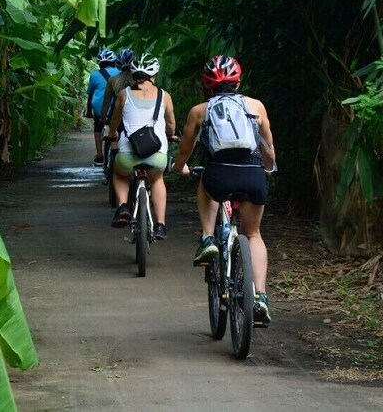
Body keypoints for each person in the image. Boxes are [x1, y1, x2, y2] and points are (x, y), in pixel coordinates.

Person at [171, 55, 277, 323]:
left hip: (220, 173)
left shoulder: (200, 111)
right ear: (238, 81)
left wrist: (179, 167)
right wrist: (267, 169)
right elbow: (268, 148)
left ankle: (208, 238)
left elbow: (185, 148)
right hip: (252, 175)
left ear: (208, 85)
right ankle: (260, 296)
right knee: (253, 234)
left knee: (206, 184)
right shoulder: (256, 106)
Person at [107, 54, 176, 240]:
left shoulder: (124, 95)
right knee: (157, 179)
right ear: (153, 76)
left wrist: (112, 133)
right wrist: (170, 135)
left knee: (119, 172)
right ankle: (160, 225)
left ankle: (122, 206)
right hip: (156, 154)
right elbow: (171, 123)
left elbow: (115, 120)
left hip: (128, 154)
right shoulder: (164, 96)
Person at [100, 48, 135, 184]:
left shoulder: (113, 80)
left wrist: (103, 119)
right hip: (135, 117)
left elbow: (106, 103)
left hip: (118, 117)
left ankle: (112, 166)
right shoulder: (139, 81)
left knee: (113, 138)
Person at [86, 48, 119, 166]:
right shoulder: (120, 73)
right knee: (119, 128)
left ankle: (100, 156)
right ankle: (118, 151)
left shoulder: (95, 75)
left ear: (100, 64)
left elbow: (90, 95)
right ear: (114, 62)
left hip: (100, 110)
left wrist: (89, 111)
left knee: (98, 128)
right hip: (117, 109)